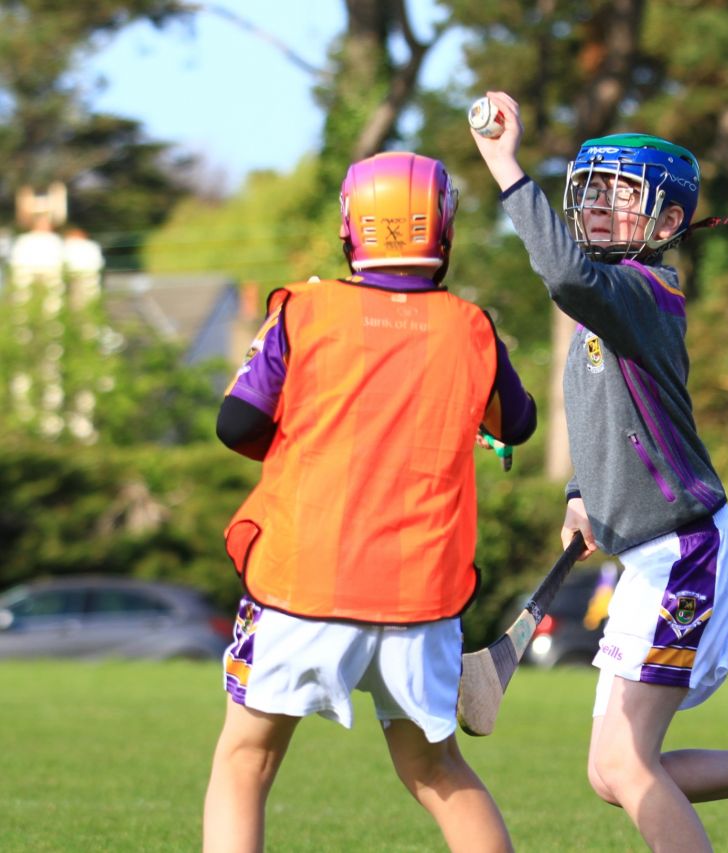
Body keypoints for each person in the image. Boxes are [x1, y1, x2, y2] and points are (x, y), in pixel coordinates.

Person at [470, 90, 728, 852]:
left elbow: (564, 279)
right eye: (591, 187)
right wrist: (579, 494)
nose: (597, 204)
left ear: (666, 224)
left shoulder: (644, 294)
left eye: (621, 192)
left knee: (628, 765)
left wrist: (504, 165)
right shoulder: (608, 308)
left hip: (685, 550)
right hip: (653, 556)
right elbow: (606, 416)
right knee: (611, 772)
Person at [202, 151, 536, 853]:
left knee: (246, 760)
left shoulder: (307, 308)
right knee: (436, 768)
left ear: (352, 228)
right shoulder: (470, 325)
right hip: (420, 595)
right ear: (441, 230)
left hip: (304, 578)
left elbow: (235, 424)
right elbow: (519, 423)